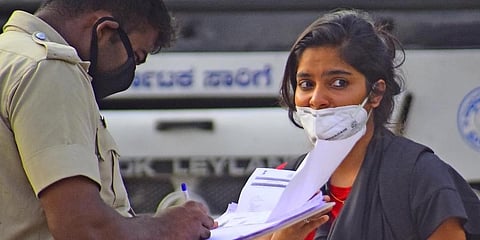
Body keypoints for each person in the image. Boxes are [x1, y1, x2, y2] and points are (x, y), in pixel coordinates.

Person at [0, 1, 215, 239]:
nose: (129, 71)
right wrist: (168, 226)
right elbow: (83, 227)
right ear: (104, 31)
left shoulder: (9, 56)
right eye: (135, 56)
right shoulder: (50, 69)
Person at [260, 8, 480, 240]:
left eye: (338, 82)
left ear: (376, 93)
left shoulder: (420, 178)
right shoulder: (281, 184)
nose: (316, 99)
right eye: (306, 84)